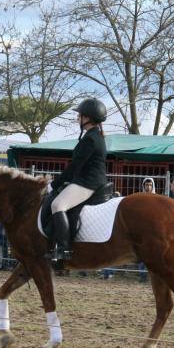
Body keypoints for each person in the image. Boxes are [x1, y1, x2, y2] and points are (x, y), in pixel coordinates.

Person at [48, 98, 108, 263]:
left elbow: (74, 167)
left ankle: (63, 249)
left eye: (80, 115)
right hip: (87, 180)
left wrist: (53, 184)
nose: (77, 118)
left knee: (57, 205)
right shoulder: (95, 135)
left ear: (87, 118)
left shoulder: (90, 139)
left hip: (88, 183)